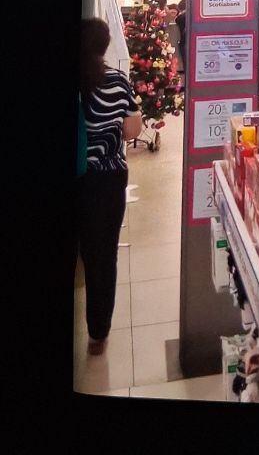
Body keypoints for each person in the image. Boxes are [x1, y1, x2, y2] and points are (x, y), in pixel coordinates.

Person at [77, 18, 142, 355]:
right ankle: (98, 332)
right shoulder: (116, 81)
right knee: (103, 255)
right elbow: (132, 130)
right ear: (104, 46)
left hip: (78, 178)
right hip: (108, 178)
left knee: (85, 253)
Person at [175, 0, 187, 73]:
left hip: (182, 39)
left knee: (184, 56)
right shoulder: (189, 15)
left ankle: (185, 69)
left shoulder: (181, 17)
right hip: (186, 38)